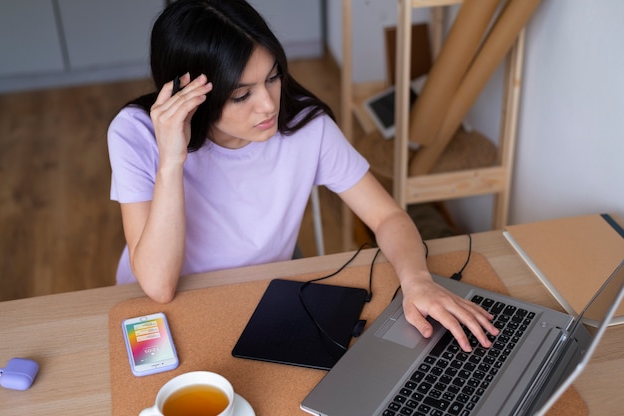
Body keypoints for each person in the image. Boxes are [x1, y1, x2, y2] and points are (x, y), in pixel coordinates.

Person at [107, 0, 497, 352]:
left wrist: (417, 282)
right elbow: (159, 286)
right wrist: (172, 159)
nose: (268, 105)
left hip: (260, 296)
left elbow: (387, 216)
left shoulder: (305, 125)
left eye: (273, 78)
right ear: (188, 94)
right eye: (241, 95)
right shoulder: (137, 133)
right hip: (163, 306)